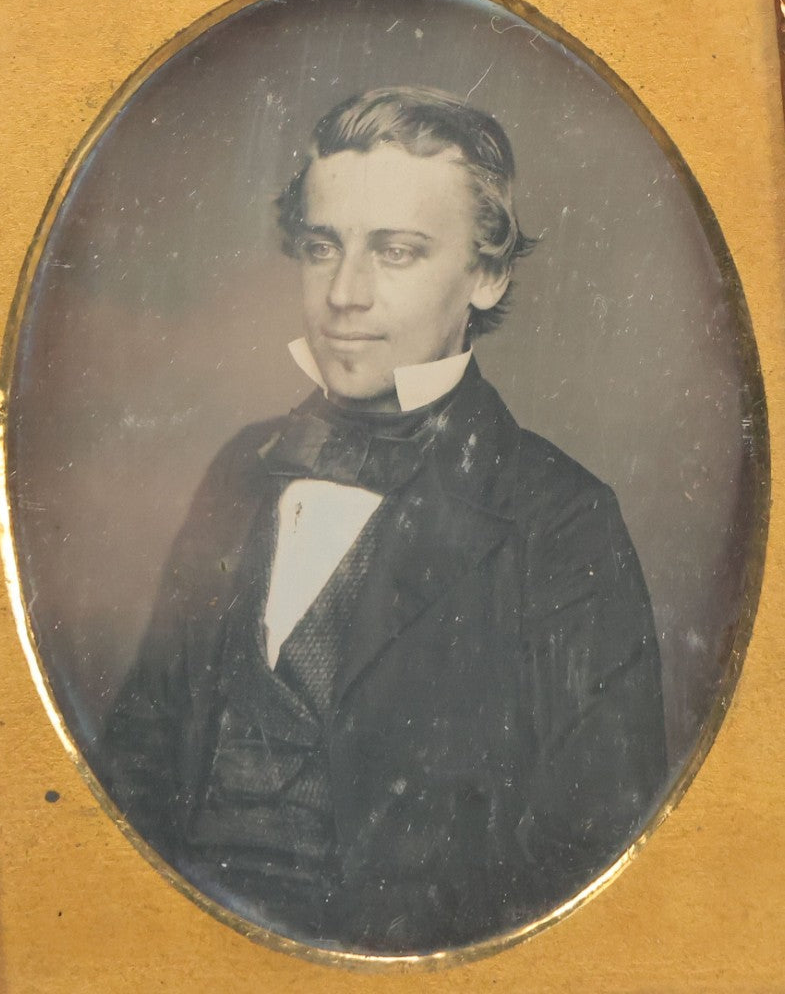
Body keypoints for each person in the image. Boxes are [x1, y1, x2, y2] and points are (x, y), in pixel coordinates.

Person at [99, 87, 668, 953]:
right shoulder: (243, 468)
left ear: (486, 272)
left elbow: (593, 849)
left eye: (396, 253)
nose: (344, 295)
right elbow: (136, 757)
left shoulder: (561, 520)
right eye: (321, 248)